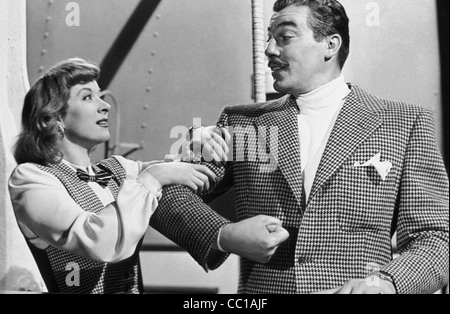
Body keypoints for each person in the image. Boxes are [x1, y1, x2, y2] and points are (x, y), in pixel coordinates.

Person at [150, 0, 449, 294]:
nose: (268, 49)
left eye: (285, 36)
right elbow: (159, 190)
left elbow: (436, 238)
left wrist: (384, 284)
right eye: (269, 36)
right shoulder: (241, 122)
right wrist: (223, 235)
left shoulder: (405, 123)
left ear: (330, 46)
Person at [8, 58, 218, 294]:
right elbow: (99, 242)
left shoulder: (116, 168)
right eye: (88, 97)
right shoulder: (29, 179)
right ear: (53, 119)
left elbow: (177, 169)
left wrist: (200, 137)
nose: (105, 106)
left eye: (101, 96)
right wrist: (153, 178)